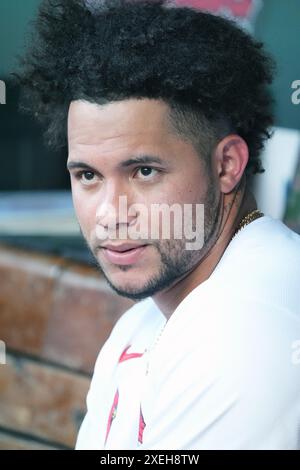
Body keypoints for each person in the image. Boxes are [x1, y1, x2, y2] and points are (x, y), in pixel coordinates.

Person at [16, 0, 300, 450]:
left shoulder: (242, 329)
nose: (111, 213)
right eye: (88, 175)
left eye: (144, 172)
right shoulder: (148, 317)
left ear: (227, 165)